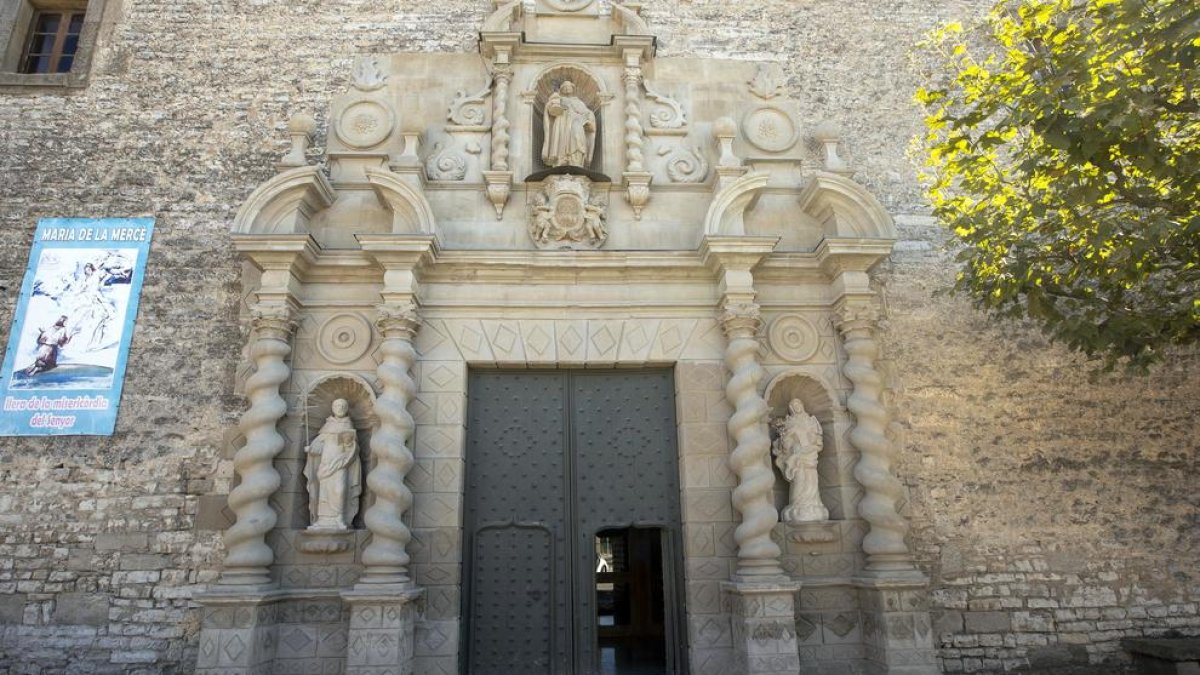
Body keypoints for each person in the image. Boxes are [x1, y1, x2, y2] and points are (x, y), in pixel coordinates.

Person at [303, 399, 363, 530]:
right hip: (325, 465)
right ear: (332, 407)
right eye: (337, 405)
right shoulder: (327, 426)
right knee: (323, 493)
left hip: (340, 465)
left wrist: (350, 444)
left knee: (339, 490)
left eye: (343, 405)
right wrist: (311, 449)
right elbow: (319, 447)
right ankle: (322, 520)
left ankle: (339, 518)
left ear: (347, 408)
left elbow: (355, 449)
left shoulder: (348, 425)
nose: (340, 407)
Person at [772, 398, 829, 522]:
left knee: (811, 479)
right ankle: (798, 505)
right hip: (796, 457)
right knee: (799, 479)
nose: (796, 406)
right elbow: (785, 445)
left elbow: (818, 441)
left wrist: (811, 445)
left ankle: (814, 505)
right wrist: (789, 440)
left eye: (798, 403)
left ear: (802, 405)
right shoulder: (789, 422)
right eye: (793, 405)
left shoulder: (811, 421)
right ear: (790, 409)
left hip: (810, 455)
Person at [542, 81, 596, 168]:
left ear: (573, 88)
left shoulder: (578, 102)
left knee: (577, 137)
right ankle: (561, 160)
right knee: (561, 139)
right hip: (562, 122)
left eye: (569, 86)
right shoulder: (558, 99)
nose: (567, 88)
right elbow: (550, 110)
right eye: (564, 87)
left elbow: (587, 113)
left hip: (576, 121)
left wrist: (589, 119)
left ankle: (576, 161)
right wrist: (551, 103)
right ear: (562, 90)